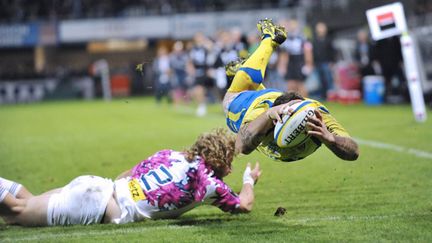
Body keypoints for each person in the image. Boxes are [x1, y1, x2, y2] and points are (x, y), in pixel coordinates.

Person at [0, 129, 261, 226]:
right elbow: (244, 205)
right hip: (98, 206)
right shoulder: (210, 184)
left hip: (97, 186)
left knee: (21, 207)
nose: (232, 165)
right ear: (219, 159)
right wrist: (249, 179)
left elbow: (128, 173)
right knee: (18, 210)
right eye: (230, 159)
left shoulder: (172, 155)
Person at [223, 18, 359, 162]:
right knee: (233, 96)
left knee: (244, 85)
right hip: (257, 102)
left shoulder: (316, 114)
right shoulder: (261, 112)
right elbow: (241, 147)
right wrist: (268, 114)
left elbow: (354, 152)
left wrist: (331, 139)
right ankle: (268, 42)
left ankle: (251, 61)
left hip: (268, 98)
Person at [312, 22, 336, 100]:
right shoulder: (314, 40)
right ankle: (322, 96)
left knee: (328, 80)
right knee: (320, 80)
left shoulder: (329, 40)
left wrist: (332, 61)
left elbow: (332, 52)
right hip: (317, 62)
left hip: (326, 62)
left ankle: (330, 96)